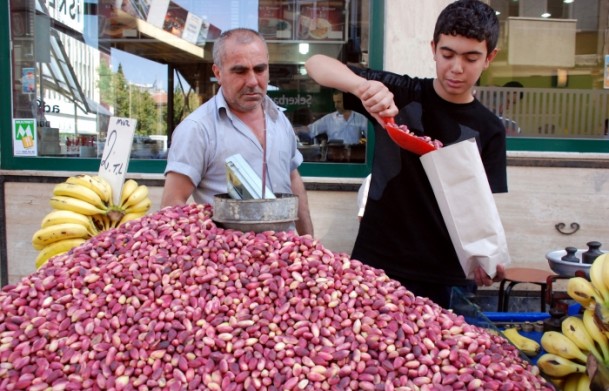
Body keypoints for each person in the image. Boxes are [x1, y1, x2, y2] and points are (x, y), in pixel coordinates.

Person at [305, 0, 507, 308]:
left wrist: (488, 254)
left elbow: (483, 206)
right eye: (447, 54)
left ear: (489, 58)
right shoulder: (400, 93)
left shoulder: (490, 128)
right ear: (433, 48)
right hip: (378, 262)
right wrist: (364, 88)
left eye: (471, 58)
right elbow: (317, 64)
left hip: (448, 276)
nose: (456, 68)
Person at [161, 28, 314, 236]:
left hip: (287, 257)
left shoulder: (279, 119)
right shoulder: (197, 129)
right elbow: (172, 206)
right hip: (231, 262)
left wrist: (308, 241)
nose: (252, 81)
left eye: (260, 69)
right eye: (240, 71)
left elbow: (293, 180)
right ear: (218, 73)